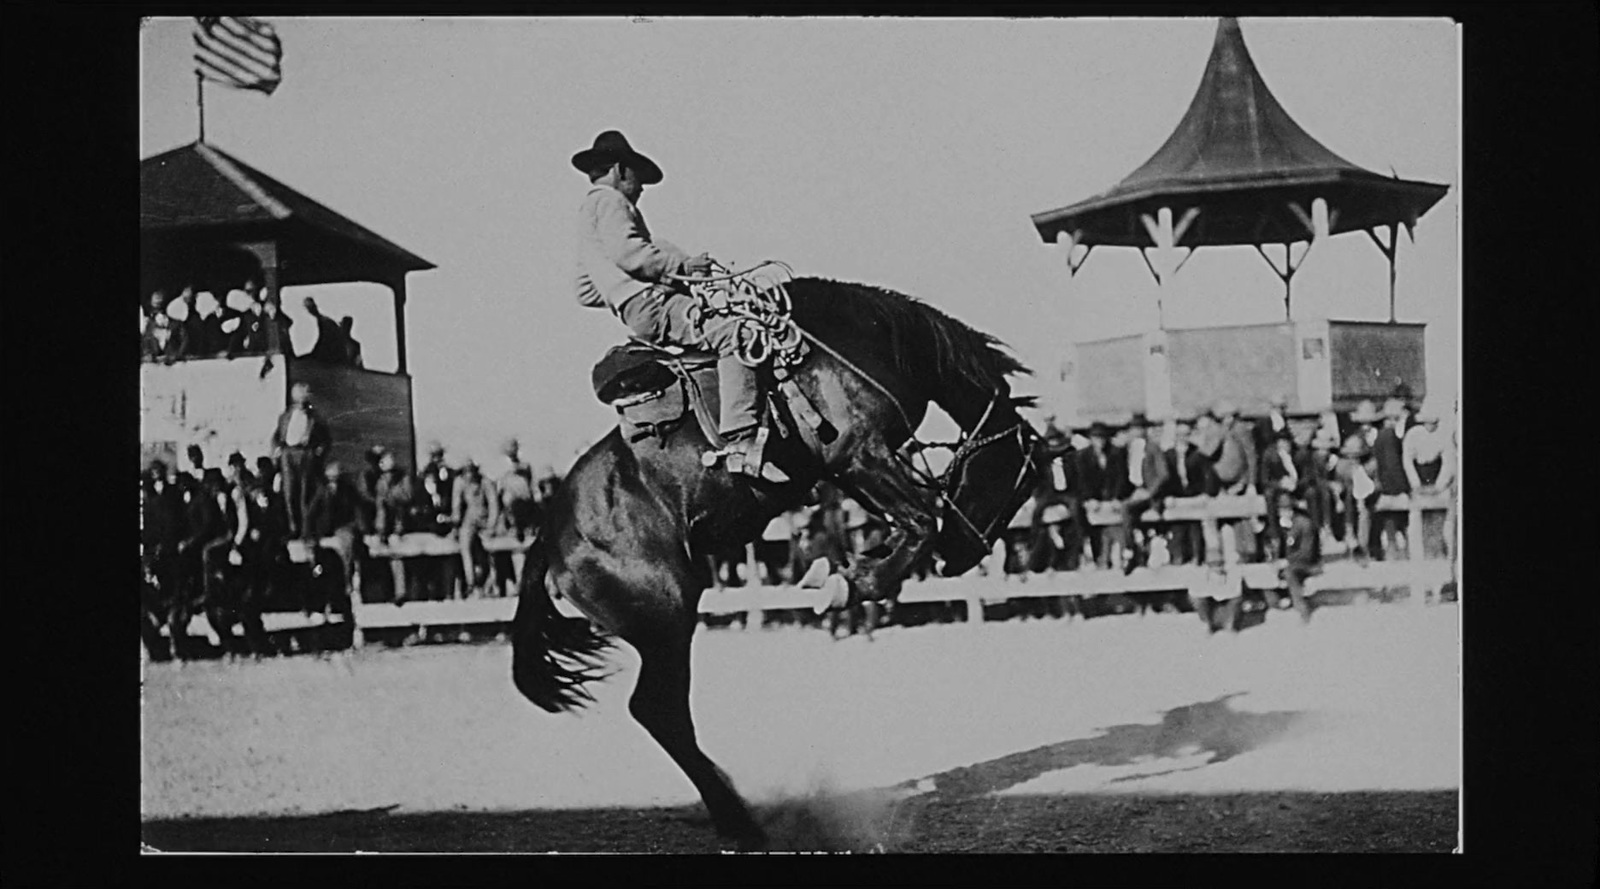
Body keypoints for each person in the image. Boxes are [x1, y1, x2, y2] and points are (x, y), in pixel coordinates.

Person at [570, 130, 785, 483]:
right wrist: (679, 270)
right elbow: (630, 254)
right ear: (621, 170)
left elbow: (584, 290)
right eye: (638, 179)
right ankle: (741, 441)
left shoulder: (587, 213)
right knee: (737, 334)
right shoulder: (611, 202)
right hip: (654, 305)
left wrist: (620, 295)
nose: (640, 189)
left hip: (637, 311)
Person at [303, 462, 368, 620]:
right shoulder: (321, 491)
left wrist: (361, 528)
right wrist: (309, 536)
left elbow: (356, 509)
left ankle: (345, 587)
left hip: (341, 529)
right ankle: (319, 607)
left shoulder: (347, 490)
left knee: (345, 554)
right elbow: (310, 514)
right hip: (323, 535)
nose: (334, 482)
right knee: (319, 570)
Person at [271, 382, 333, 540]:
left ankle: (306, 530)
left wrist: (318, 452)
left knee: (305, 493)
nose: (302, 401)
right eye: (299, 397)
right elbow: (276, 436)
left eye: (305, 397)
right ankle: (294, 528)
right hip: (288, 454)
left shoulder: (314, 418)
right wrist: (277, 450)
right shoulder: (286, 416)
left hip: (306, 454)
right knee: (290, 492)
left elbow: (326, 439)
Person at [1117, 413, 1170, 574]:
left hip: (1150, 495)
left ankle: (1129, 550)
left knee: (1126, 509)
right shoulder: (1127, 449)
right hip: (1134, 491)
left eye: (1140, 429)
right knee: (1124, 510)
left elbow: (1163, 474)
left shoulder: (1153, 448)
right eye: (1134, 429)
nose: (1137, 432)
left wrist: (1149, 492)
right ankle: (1135, 551)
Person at [1163, 417, 1217, 565]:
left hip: (1194, 497)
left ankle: (1197, 558)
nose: (1182, 438)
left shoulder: (1197, 455)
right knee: (1178, 530)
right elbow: (1164, 478)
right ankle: (1178, 559)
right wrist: (1166, 496)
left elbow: (1208, 476)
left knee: (1195, 528)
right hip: (1176, 498)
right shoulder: (1168, 455)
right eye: (1179, 434)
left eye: (1186, 434)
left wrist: (1206, 493)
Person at [1370, 397, 1412, 559]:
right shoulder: (1389, 436)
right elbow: (1392, 464)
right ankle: (1398, 555)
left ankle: (1391, 555)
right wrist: (1403, 488)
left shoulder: (1382, 435)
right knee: (1397, 523)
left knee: (1390, 525)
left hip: (1387, 486)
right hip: (1393, 488)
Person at [1272, 493, 1321, 624]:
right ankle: (1276, 605)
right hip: (1292, 562)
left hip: (1308, 563)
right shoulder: (1282, 526)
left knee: (1289, 572)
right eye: (1281, 510)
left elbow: (1307, 552)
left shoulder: (1304, 524)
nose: (1283, 513)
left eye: (1286, 509)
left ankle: (1302, 610)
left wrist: (1287, 561)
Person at [451, 458, 497, 598]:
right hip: (468, 519)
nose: (469, 475)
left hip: (484, 518)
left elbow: (493, 505)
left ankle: (491, 584)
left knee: (489, 551)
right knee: (465, 547)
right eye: (466, 471)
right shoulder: (459, 482)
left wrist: (491, 525)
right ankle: (471, 582)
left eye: (471, 471)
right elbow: (456, 505)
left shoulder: (485, 482)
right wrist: (455, 524)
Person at [494, 438, 538, 541]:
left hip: (524, 502)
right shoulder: (503, 469)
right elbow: (499, 490)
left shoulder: (525, 467)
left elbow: (531, 485)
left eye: (514, 450)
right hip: (510, 503)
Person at [374, 450, 422, 542]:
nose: (382, 464)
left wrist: (393, 494)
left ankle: (397, 532)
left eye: (386, 460)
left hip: (401, 513)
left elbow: (408, 496)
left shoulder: (403, 478)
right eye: (381, 461)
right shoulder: (381, 481)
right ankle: (383, 534)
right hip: (386, 517)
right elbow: (379, 503)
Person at [418, 442, 456, 535]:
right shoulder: (427, 472)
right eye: (434, 455)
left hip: (444, 505)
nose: (437, 458)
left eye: (438, 455)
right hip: (431, 508)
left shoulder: (447, 471)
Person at [300, 297, 348, 364]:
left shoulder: (324, 321)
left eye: (310, 307)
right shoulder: (324, 320)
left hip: (332, 355)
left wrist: (314, 353)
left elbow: (325, 339)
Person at [142, 290, 185, 363]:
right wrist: (148, 354)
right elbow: (146, 341)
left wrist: (177, 355)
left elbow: (184, 340)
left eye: (160, 303)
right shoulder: (150, 325)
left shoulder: (176, 324)